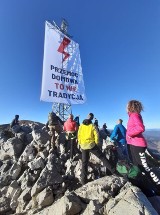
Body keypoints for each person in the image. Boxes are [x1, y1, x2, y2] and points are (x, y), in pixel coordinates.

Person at [126, 100, 160, 193]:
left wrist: (129, 133)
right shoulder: (132, 115)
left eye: (127, 105)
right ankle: (142, 185)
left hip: (138, 145)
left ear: (130, 106)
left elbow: (140, 127)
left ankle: (158, 186)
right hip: (133, 144)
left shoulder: (134, 115)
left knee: (145, 167)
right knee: (137, 166)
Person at [78, 113, 116, 185]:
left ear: (87, 117)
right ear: (92, 118)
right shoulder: (92, 125)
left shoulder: (81, 125)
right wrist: (96, 144)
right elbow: (96, 135)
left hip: (83, 145)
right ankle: (114, 172)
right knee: (102, 157)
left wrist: (80, 143)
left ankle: (83, 181)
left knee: (84, 163)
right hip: (91, 145)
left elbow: (79, 135)